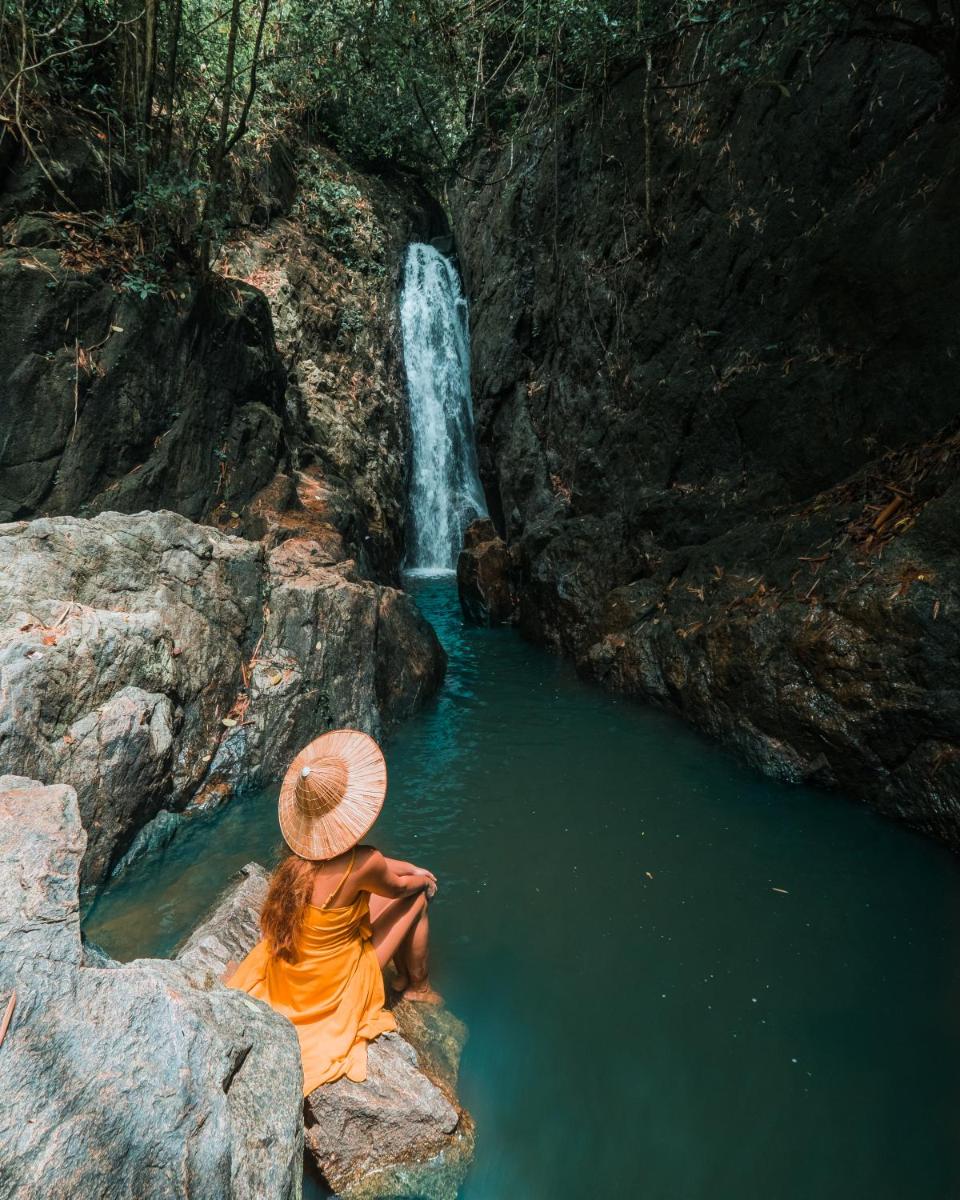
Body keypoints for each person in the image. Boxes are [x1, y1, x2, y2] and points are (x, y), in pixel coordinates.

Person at [225, 728, 439, 1096]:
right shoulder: (364, 863)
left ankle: (405, 979)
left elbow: (379, 864)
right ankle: (416, 986)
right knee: (416, 902)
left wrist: (412, 869)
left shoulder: (300, 859)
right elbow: (398, 888)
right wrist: (423, 882)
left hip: (293, 977)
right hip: (332, 985)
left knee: (397, 892)